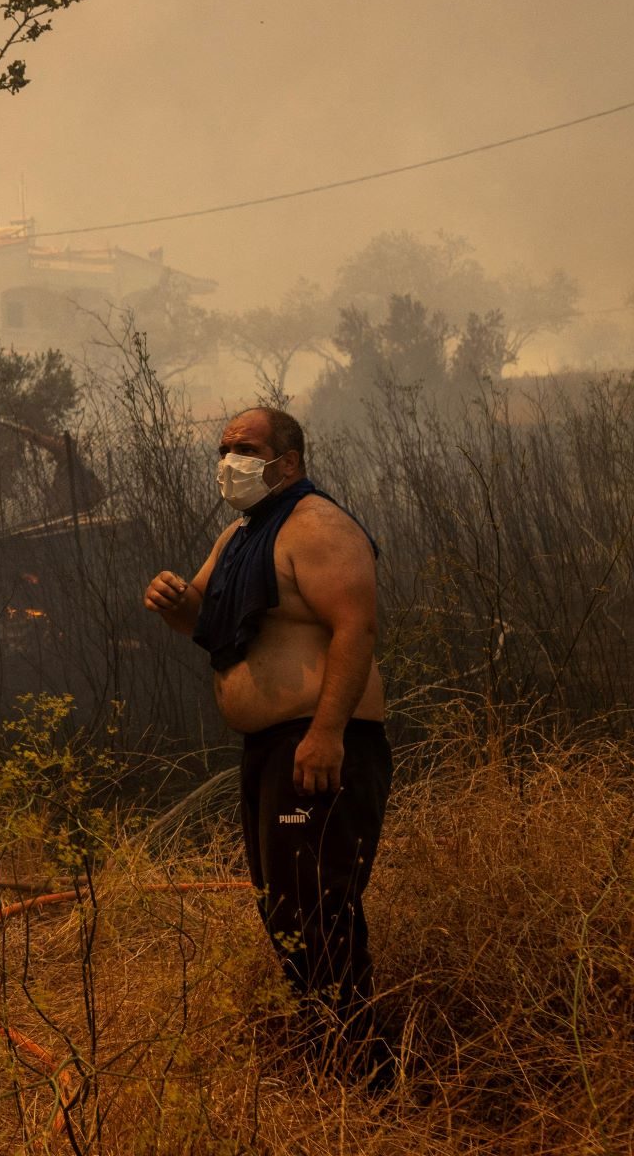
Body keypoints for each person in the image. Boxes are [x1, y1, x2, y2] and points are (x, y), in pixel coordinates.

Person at [142, 406, 391, 1071]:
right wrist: (174, 601)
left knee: (318, 906)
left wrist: (327, 732)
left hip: (319, 744)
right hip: (272, 750)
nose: (229, 461)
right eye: (223, 449)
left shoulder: (320, 529)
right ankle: (324, 1052)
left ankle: (358, 1071)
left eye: (245, 448)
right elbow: (205, 620)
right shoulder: (239, 538)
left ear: (289, 461)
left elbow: (355, 631)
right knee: (285, 907)